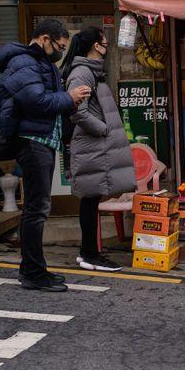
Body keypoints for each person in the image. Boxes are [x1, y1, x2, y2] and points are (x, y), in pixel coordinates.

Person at [0, 20, 90, 292]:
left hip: (43, 140)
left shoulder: (40, 63)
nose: (61, 51)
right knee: (36, 210)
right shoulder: (24, 63)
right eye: (59, 46)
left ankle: (34, 269)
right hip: (33, 141)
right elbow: (36, 101)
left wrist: (68, 99)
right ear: (45, 39)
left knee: (38, 209)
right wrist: (69, 97)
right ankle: (33, 272)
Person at [62, 27, 135, 273]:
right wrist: (103, 129)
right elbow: (77, 111)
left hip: (94, 146)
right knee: (90, 200)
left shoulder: (90, 72)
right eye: (105, 43)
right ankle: (90, 254)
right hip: (91, 145)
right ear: (96, 46)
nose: (107, 47)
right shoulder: (82, 73)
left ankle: (89, 253)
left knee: (91, 199)